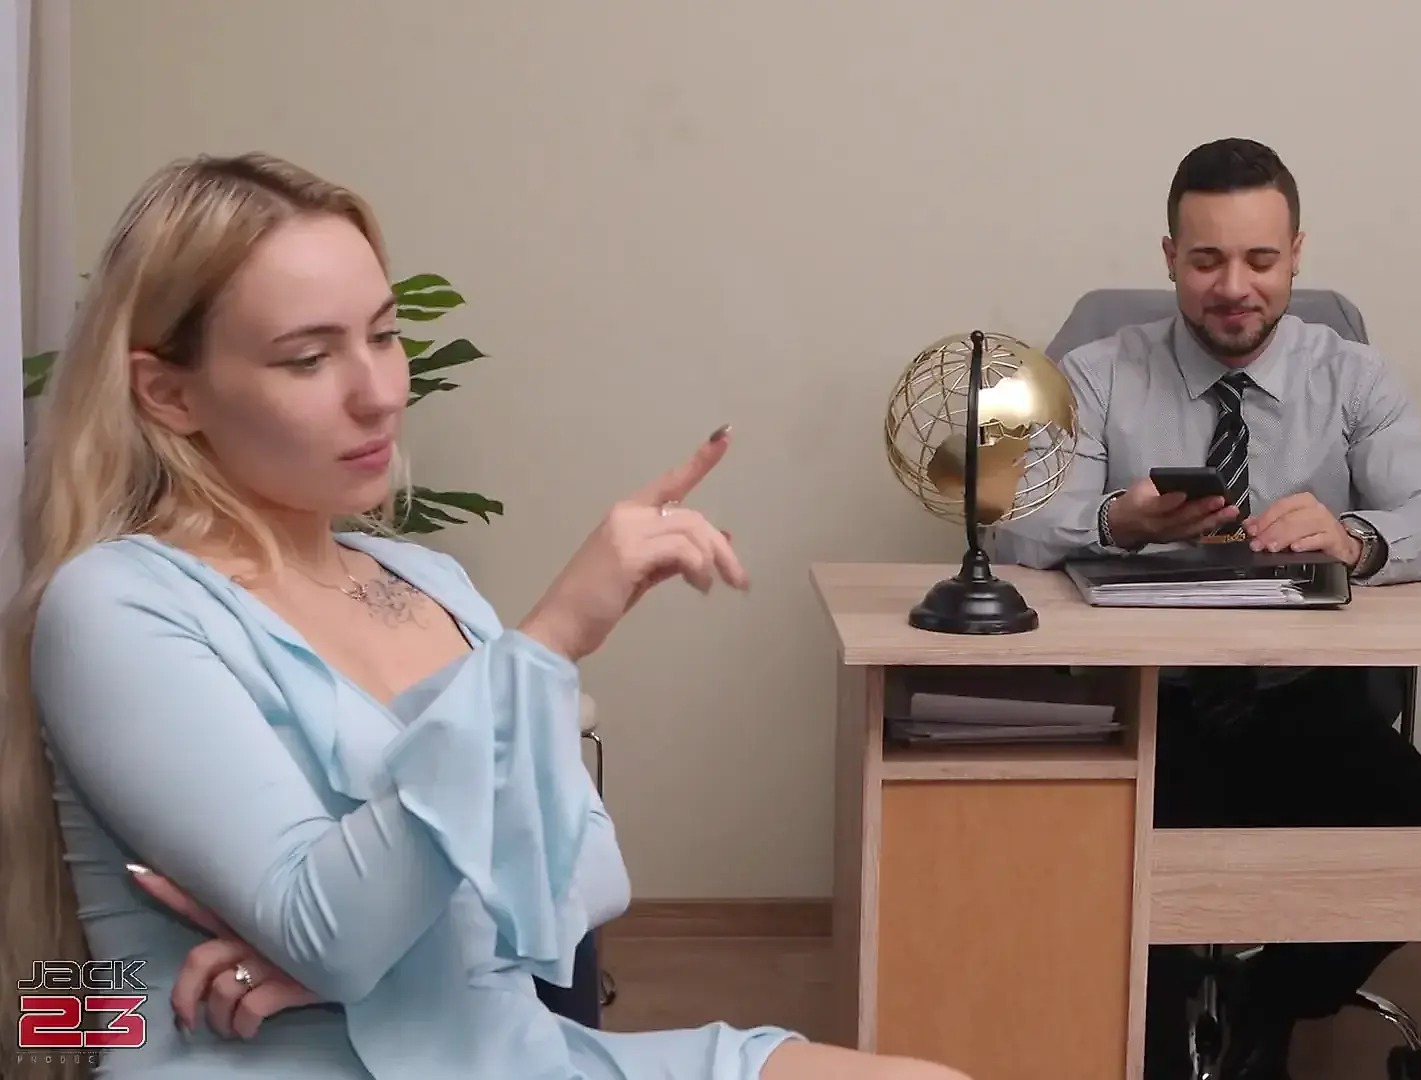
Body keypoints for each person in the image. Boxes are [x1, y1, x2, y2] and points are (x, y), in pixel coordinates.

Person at [0, 152, 970, 1080]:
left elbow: (590, 878)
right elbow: (332, 931)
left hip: (514, 1056)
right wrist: (552, 636)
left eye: (384, 335)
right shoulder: (116, 606)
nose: (380, 393)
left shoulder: (427, 580)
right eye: (309, 358)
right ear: (168, 393)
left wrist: (382, 954)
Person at [993, 138, 1421, 1079]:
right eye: (1207, 260)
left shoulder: (1354, 376)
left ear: (1296, 255)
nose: (1234, 288)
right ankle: (1159, 1031)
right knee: (1113, 863)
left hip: (1303, 699)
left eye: (1259, 259)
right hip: (1147, 703)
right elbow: (1018, 527)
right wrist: (1118, 520)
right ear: (1170, 257)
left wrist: (1355, 538)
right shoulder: (1095, 373)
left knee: (1417, 828)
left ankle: (1268, 1005)